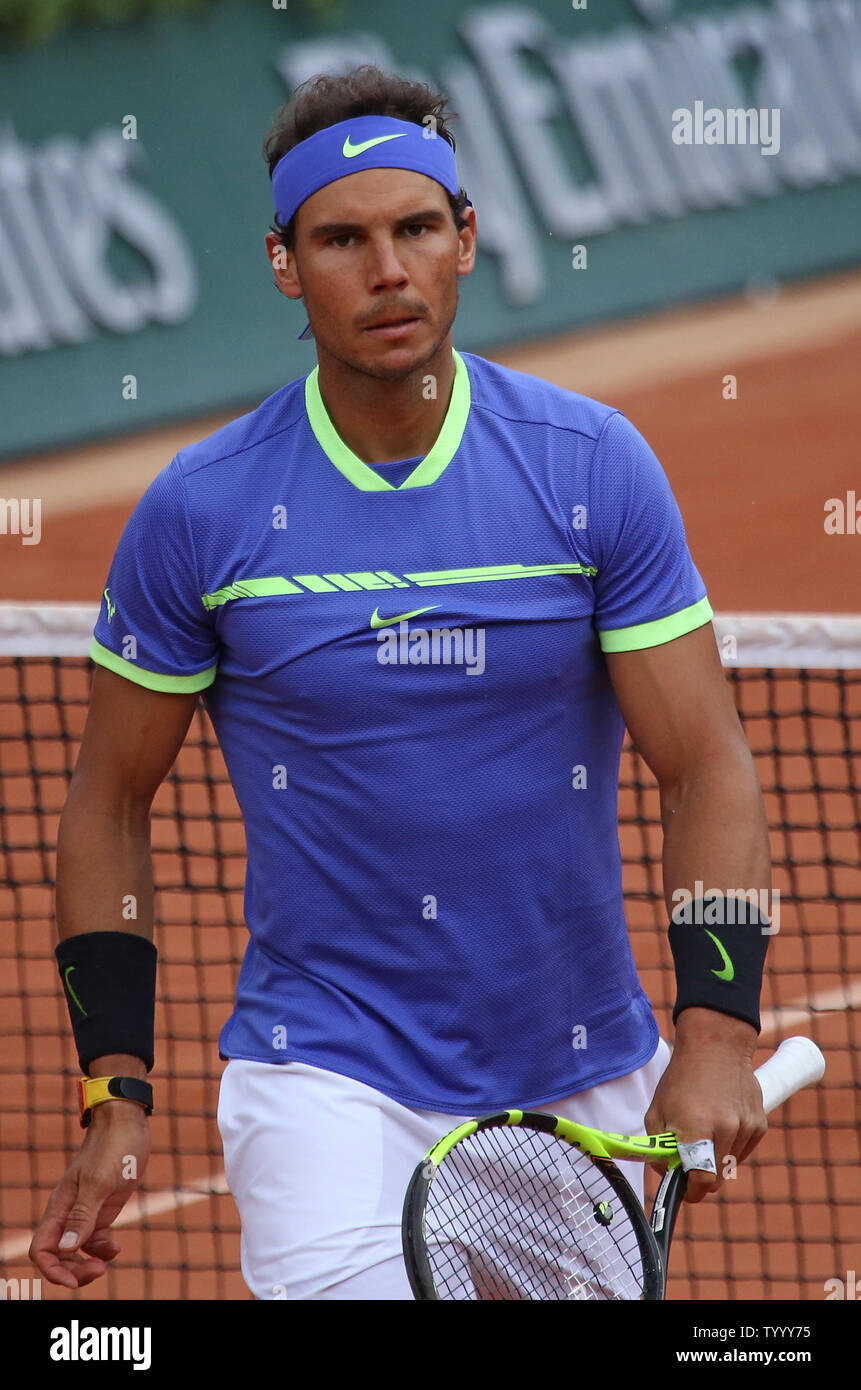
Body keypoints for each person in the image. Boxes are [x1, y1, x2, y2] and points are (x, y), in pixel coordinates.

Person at [30, 65, 772, 1300]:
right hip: (324, 1076)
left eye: (418, 228)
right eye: (342, 239)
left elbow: (709, 760)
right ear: (283, 262)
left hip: (580, 1075)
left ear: (466, 239)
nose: (387, 270)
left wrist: (715, 1033)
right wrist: (116, 1090)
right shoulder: (203, 512)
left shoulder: (591, 468)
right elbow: (108, 800)